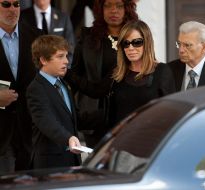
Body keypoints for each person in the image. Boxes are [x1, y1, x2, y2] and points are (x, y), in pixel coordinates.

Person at [66, 0, 139, 148]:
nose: (114, 11)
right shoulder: (88, 37)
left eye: (119, 6)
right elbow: (74, 77)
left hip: (128, 113)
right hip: (94, 116)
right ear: (100, 9)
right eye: (108, 5)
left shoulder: (136, 38)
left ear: (127, 9)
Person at [26, 35, 82, 169]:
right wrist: (68, 138)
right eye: (60, 56)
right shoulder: (36, 88)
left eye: (66, 56)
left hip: (72, 160)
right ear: (44, 60)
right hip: (50, 164)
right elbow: (45, 121)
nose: (66, 61)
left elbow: (72, 118)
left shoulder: (63, 84)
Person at [0, 0, 42, 172]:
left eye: (16, 4)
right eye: (6, 4)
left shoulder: (37, 36)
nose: (12, 9)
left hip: (31, 129)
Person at [108, 20, 175, 125]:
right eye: (126, 43)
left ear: (147, 43)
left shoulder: (162, 71)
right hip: (123, 137)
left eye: (137, 42)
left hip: (152, 137)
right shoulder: (118, 74)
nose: (130, 48)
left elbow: (170, 114)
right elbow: (112, 115)